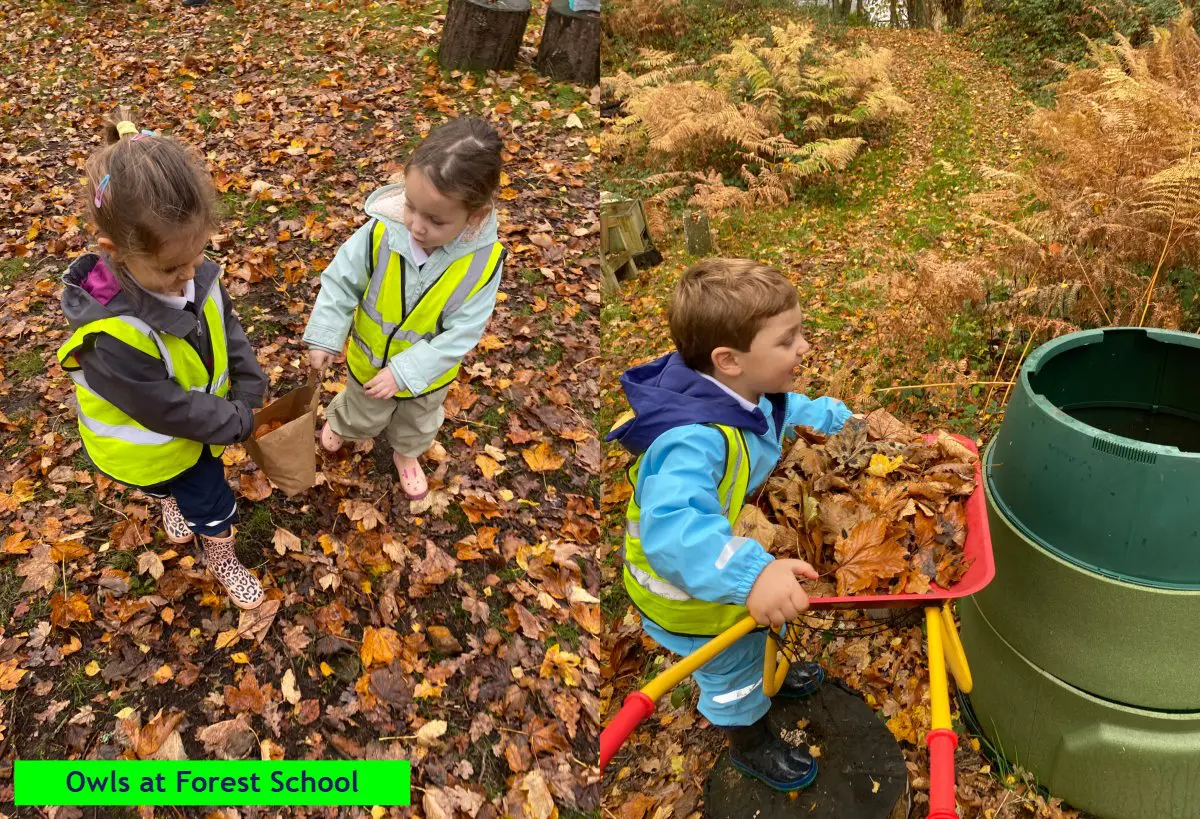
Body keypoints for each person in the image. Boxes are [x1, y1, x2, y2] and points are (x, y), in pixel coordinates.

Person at [606, 258, 854, 791]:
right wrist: (751, 576)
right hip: (692, 595)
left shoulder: (746, 392)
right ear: (728, 359)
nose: (804, 349)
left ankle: (775, 674)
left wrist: (849, 425)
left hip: (727, 567)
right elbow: (675, 531)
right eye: (788, 341)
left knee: (769, 617)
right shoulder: (692, 441)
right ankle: (749, 740)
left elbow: (788, 416)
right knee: (732, 672)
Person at [57, 107, 268, 610]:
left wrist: (249, 380)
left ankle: (199, 529)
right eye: (175, 266)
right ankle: (215, 548)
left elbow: (226, 323)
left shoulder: (194, 273)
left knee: (202, 495)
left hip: (198, 434)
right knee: (206, 500)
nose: (190, 275)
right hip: (152, 449)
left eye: (199, 257)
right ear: (116, 252)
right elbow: (163, 407)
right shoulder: (111, 336)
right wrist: (235, 419)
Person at [303, 117, 507, 500]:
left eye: (436, 220)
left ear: (474, 215)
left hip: (426, 378)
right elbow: (341, 281)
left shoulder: (481, 263)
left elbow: (462, 332)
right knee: (360, 410)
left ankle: (407, 453)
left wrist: (406, 372)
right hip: (367, 363)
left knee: (418, 421)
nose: (416, 226)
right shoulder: (382, 231)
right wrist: (326, 336)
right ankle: (344, 426)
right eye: (412, 207)